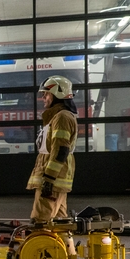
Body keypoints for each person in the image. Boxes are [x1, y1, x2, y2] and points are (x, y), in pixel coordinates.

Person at [27, 75, 78, 222]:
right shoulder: (58, 116)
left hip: (52, 182)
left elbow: (60, 151)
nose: (43, 97)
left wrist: (48, 179)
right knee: (60, 224)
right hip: (56, 181)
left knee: (41, 223)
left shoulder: (62, 117)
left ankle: (41, 246)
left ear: (58, 94)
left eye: (46, 93)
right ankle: (66, 246)